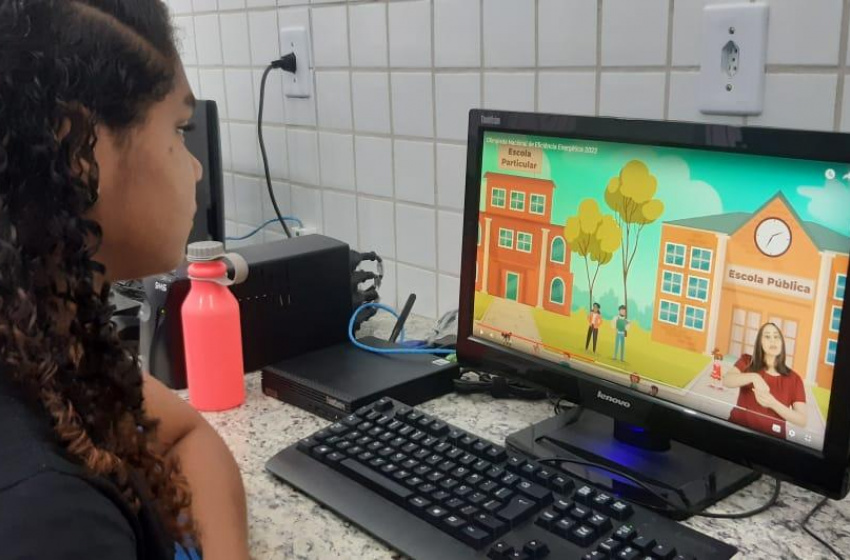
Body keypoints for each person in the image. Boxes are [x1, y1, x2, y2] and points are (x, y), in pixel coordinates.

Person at [0, 2, 249, 559]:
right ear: (79, 147)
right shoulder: (50, 516)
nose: (195, 167)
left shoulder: (38, 349)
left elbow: (186, 435)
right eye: (179, 129)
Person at [723, 323, 808, 439]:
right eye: (767, 336)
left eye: (776, 336)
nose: (773, 340)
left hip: (771, 441)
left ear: (782, 343)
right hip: (736, 432)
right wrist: (754, 377)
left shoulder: (794, 379)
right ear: (760, 342)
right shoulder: (747, 361)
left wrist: (772, 403)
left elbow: (802, 420)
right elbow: (727, 380)